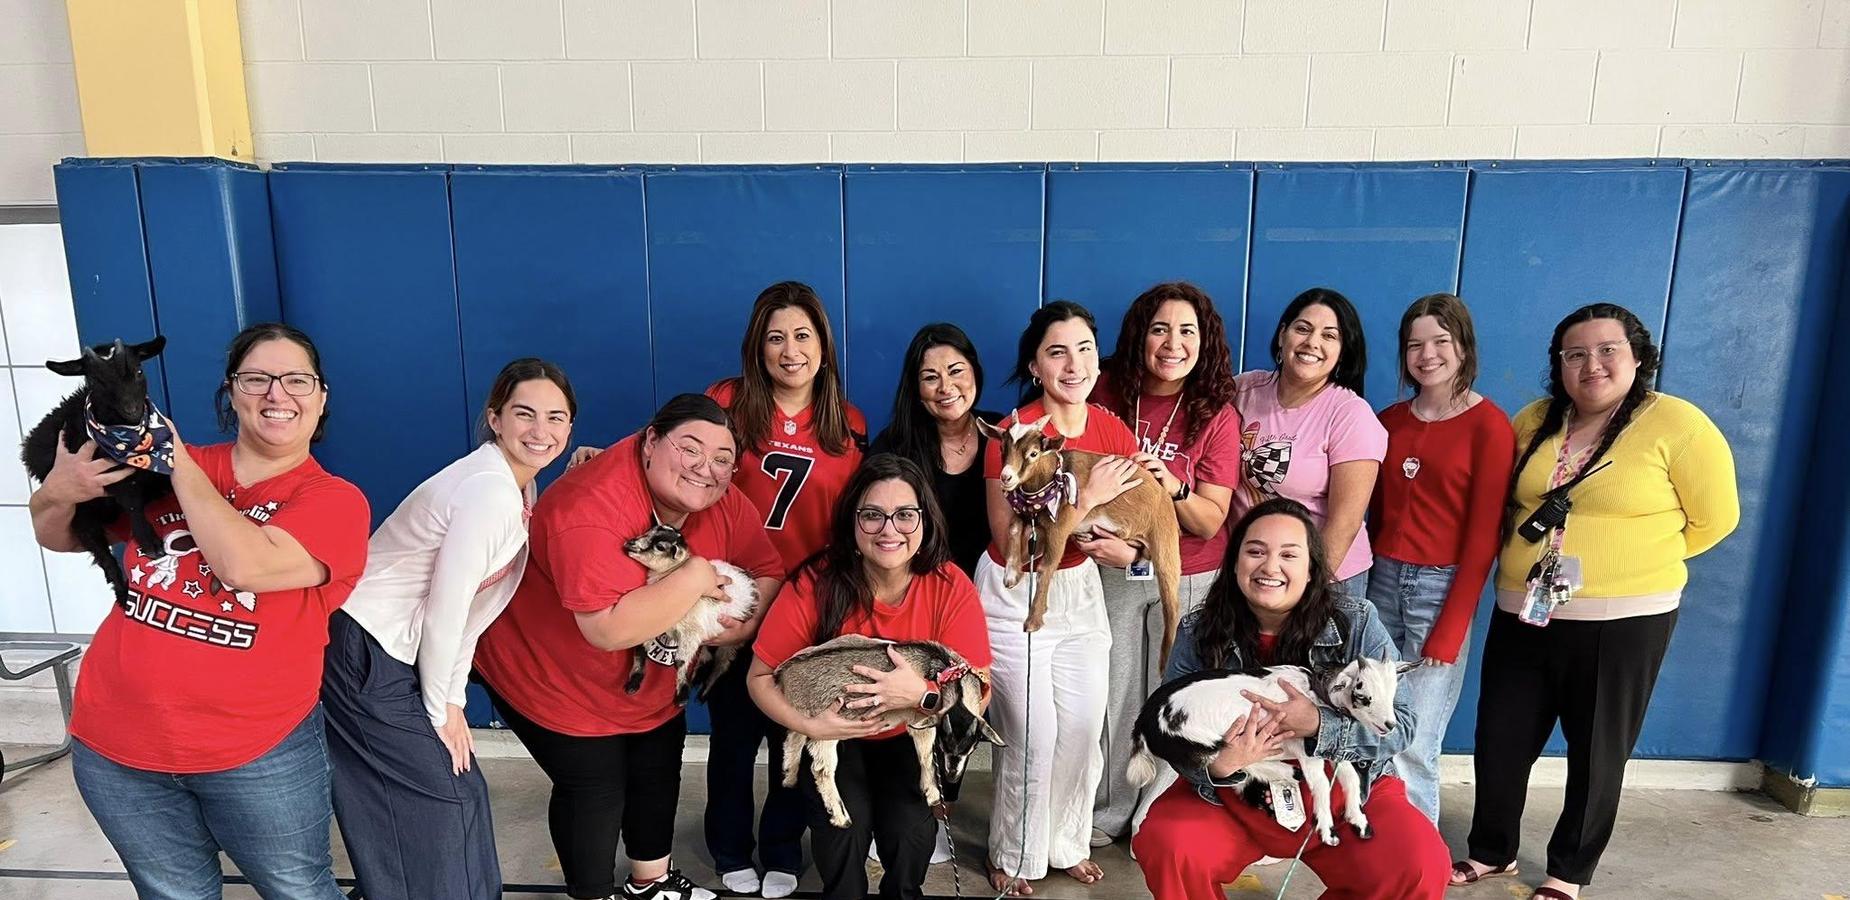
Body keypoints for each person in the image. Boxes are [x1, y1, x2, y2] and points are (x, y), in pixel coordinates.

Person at [30, 323, 369, 899]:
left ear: (321, 397)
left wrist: (173, 459)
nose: (276, 394)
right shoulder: (167, 466)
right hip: (115, 747)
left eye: (296, 380)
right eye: (256, 378)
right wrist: (61, 488)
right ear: (231, 392)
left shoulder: (334, 501)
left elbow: (245, 567)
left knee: (299, 891)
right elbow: (58, 535)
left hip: (256, 753)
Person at [1451, 303, 1739, 900]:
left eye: (1608, 350)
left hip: (1623, 621)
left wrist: (1635, 562)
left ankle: (1567, 872)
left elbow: (1716, 519)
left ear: (1638, 356)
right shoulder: (1534, 420)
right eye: (1575, 354)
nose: (1592, 365)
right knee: (1500, 737)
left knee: (1597, 751)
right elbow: (1507, 504)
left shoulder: (1678, 425)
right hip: (1524, 610)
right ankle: (1490, 850)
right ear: (1558, 364)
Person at [473, 394, 785, 900]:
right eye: (690, 449)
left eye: (723, 459)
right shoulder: (591, 507)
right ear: (650, 442)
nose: (706, 469)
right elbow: (608, 630)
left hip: (647, 676)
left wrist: (739, 629)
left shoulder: (720, 497)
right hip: (550, 671)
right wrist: (696, 576)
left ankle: (651, 883)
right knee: (596, 786)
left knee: (656, 763)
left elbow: (769, 569)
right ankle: (592, 893)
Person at [322, 358, 576, 899]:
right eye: (524, 414)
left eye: (556, 418)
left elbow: (468, 614)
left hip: (389, 648)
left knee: (454, 791)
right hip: (366, 646)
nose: (541, 431)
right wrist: (440, 710)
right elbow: (447, 609)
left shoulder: (515, 490)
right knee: (446, 795)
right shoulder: (489, 492)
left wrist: (453, 701)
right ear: (496, 418)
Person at [1132, 499, 1451, 900]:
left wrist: (1319, 725)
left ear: (1311, 569)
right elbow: (1172, 735)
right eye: (1255, 552)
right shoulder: (1199, 628)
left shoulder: (1358, 621)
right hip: (1237, 794)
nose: (1270, 567)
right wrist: (1219, 766)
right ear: (1234, 563)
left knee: (1419, 864)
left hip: (1343, 793)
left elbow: (1402, 726)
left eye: (1288, 555)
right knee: (1168, 844)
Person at [748, 453, 994, 900]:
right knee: (843, 831)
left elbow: (978, 692)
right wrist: (811, 726)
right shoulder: (815, 582)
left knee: (909, 836)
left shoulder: (950, 585)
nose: (889, 530)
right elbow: (760, 678)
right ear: (852, 521)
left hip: (910, 735)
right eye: (872, 515)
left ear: (925, 520)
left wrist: (923, 695)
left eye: (904, 515)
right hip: (835, 734)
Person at [704, 281, 867, 899]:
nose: (790, 350)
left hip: (804, 605)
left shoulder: (847, 422)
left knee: (792, 736)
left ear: (823, 346)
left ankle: (779, 845)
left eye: (803, 336)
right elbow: (676, 456)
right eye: (776, 337)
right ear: (757, 346)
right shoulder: (727, 400)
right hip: (737, 597)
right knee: (733, 737)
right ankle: (727, 846)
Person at [978, 300, 1143, 895]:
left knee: (1080, 727)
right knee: (1032, 733)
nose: (1073, 364)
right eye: (1056, 352)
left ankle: (1066, 841)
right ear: (1035, 365)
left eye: (1083, 350)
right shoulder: (1016, 431)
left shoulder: (1110, 427)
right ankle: (1015, 853)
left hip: (1080, 591)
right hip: (1018, 588)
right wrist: (1090, 498)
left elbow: (1134, 511)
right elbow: (1008, 536)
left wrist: (1131, 548)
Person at [1088, 282, 1244, 845]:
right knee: (1116, 696)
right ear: (1138, 337)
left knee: (1175, 696)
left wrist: (1173, 486)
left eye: (1187, 331)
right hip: (1112, 570)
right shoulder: (1104, 392)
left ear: (1205, 343)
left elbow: (1208, 519)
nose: (1172, 343)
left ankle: (1153, 814)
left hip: (1193, 573)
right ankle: (1107, 813)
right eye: (1160, 329)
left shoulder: (1217, 414)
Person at [1364, 294, 1515, 823]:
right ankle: (1375, 841)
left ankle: (1416, 858)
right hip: (1380, 582)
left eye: (1440, 342)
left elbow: (1483, 536)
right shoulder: (1388, 421)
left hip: (1440, 589)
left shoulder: (1489, 426)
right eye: (1414, 345)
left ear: (1463, 346)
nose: (1427, 355)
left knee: (1414, 736)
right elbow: (1375, 512)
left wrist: (1452, 626)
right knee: (1372, 718)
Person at [1232, 288, 1385, 599]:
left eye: (1330, 336)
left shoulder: (1351, 414)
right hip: (1255, 572)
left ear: (1343, 350)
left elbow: (1346, 522)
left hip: (1326, 580)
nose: (1312, 342)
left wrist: (1305, 590)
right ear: (1281, 335)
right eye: (1303, 328)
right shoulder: (1242, 389)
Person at [870, 323, 1002, 578]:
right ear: (916, 389)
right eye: (931, 377)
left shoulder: (1001, 433)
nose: (946, 387)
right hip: (919, 588)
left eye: (956, 372)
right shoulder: (894, 446)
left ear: (974, 372)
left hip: (995, 590)